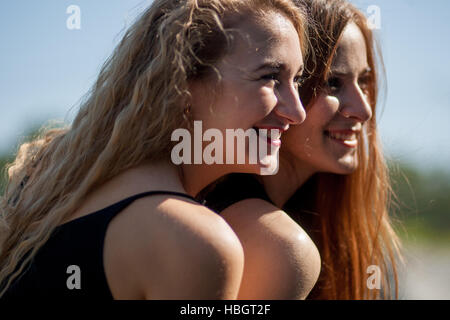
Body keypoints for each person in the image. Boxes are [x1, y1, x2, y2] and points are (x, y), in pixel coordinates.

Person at [0, 0, 308, 299]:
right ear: (182, 81)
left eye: (297, 80)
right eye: (270, 77)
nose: (297, 112)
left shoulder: (55, 175)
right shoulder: (193, 241)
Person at [199, 0, 402, 299]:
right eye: (332, 83)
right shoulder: (277, 245)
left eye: (364, 81)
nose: (363, 110)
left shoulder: (296, 221)